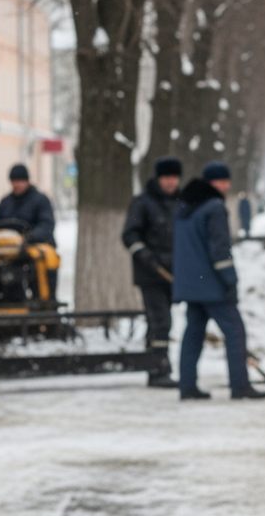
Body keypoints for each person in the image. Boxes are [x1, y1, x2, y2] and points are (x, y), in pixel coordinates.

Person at [172, 162, 265, 401]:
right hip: (211, 285)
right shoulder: (214, 207)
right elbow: (220, 249)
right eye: (223, 181)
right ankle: (240, 385)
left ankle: (187, 386)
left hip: (191, 284)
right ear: (212, 182)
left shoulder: (185, 206)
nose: (227, 185)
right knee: (235, 331)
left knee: (193, 334)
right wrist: (230, 281)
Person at [122, 156, 183, 389]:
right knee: (161, 322)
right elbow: (129, 234)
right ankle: (159, 371)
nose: (170, 182)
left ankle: (153, 365)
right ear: (158, 179)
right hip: (151, 274)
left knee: (157, 322)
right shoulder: (143, 203)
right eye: (166, 177)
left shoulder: (180, 203)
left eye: (174, 178)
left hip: (173, 274)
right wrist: (144, 254)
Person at [0, 164, 58, 298]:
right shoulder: (5, 202)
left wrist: (29, 237)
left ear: (27, 181)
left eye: (20, 181)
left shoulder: (40, 200)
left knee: (41, 259)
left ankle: (43, 298)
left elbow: (46, 225)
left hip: (32, 245)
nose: (17, 185)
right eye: (14, 181)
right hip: (8, 249)